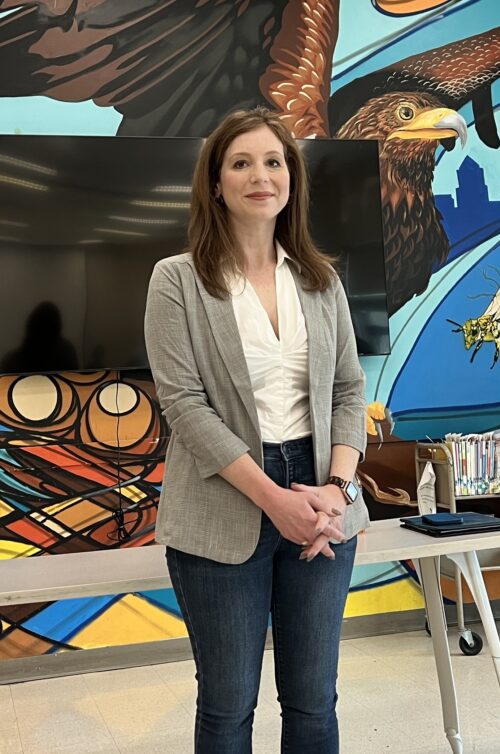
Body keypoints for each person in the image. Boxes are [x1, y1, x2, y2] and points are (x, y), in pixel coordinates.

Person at [144, 107, 369, 753]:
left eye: (274, 161)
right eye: (241, 162)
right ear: (216, 183)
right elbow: (184, 406)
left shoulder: (323, 281)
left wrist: (335, 488)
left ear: (291, 180)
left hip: (325, 498)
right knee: (227, 704)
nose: (259, 175)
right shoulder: (177, 279)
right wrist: (276, 500)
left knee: (313, 701)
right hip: (225, 500)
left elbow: (350, 389)